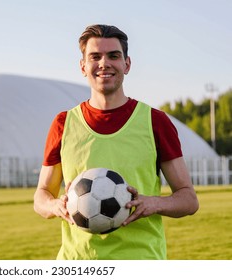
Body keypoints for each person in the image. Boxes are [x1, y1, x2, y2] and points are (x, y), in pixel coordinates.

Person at [33, 24, 199, 260]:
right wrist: (54, 206)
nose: (104, 64)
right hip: (78, 261)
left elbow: (188, 199)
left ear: (127, 64)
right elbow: (41, 196)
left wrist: (153, 203)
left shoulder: (155, 121)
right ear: (83, 66)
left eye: (113, 56)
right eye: (95, 57)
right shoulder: (63, 123)